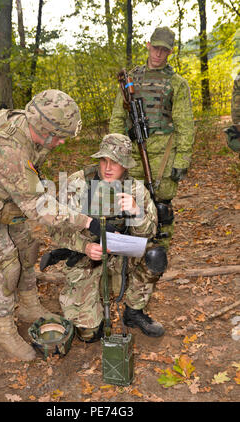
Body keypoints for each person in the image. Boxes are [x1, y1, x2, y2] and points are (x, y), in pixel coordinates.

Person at [0, 89, 113, 361]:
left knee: (26, 249)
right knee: (6, 265)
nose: (59, 143)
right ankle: (3, 329)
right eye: (58, 137)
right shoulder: (5, 146)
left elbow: (31, 185)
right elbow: (40, 206)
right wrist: (87, 222)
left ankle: (29, 306)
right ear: (44, 128)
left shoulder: (33, 130)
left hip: (8, 198)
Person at [42, 134, 168, 342]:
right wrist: (85, 246)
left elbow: (149, 233)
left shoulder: (135, 189)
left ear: (125, 166)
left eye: (116, 162)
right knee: (89, 335)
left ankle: (134, 311)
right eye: (104, 160)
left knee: (155, 255)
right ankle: (92, 306)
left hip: (121, 254)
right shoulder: (78, 183)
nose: (108, 168)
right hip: (87, 256)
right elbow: (54, 229)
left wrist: (137, 212)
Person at [109, 26, 195, 249]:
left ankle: (158, 255)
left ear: (170, 52)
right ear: (148, 46)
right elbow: (118, 117)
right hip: (133, 152)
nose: (158, 54)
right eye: (155, 48)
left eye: (164, 51)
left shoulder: (177, 83)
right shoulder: (130, 80)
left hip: (163, 156)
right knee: (127, 202)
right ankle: (130, 252)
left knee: (161, 207)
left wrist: (182, 160)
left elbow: (185, 124)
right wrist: (113, 152)